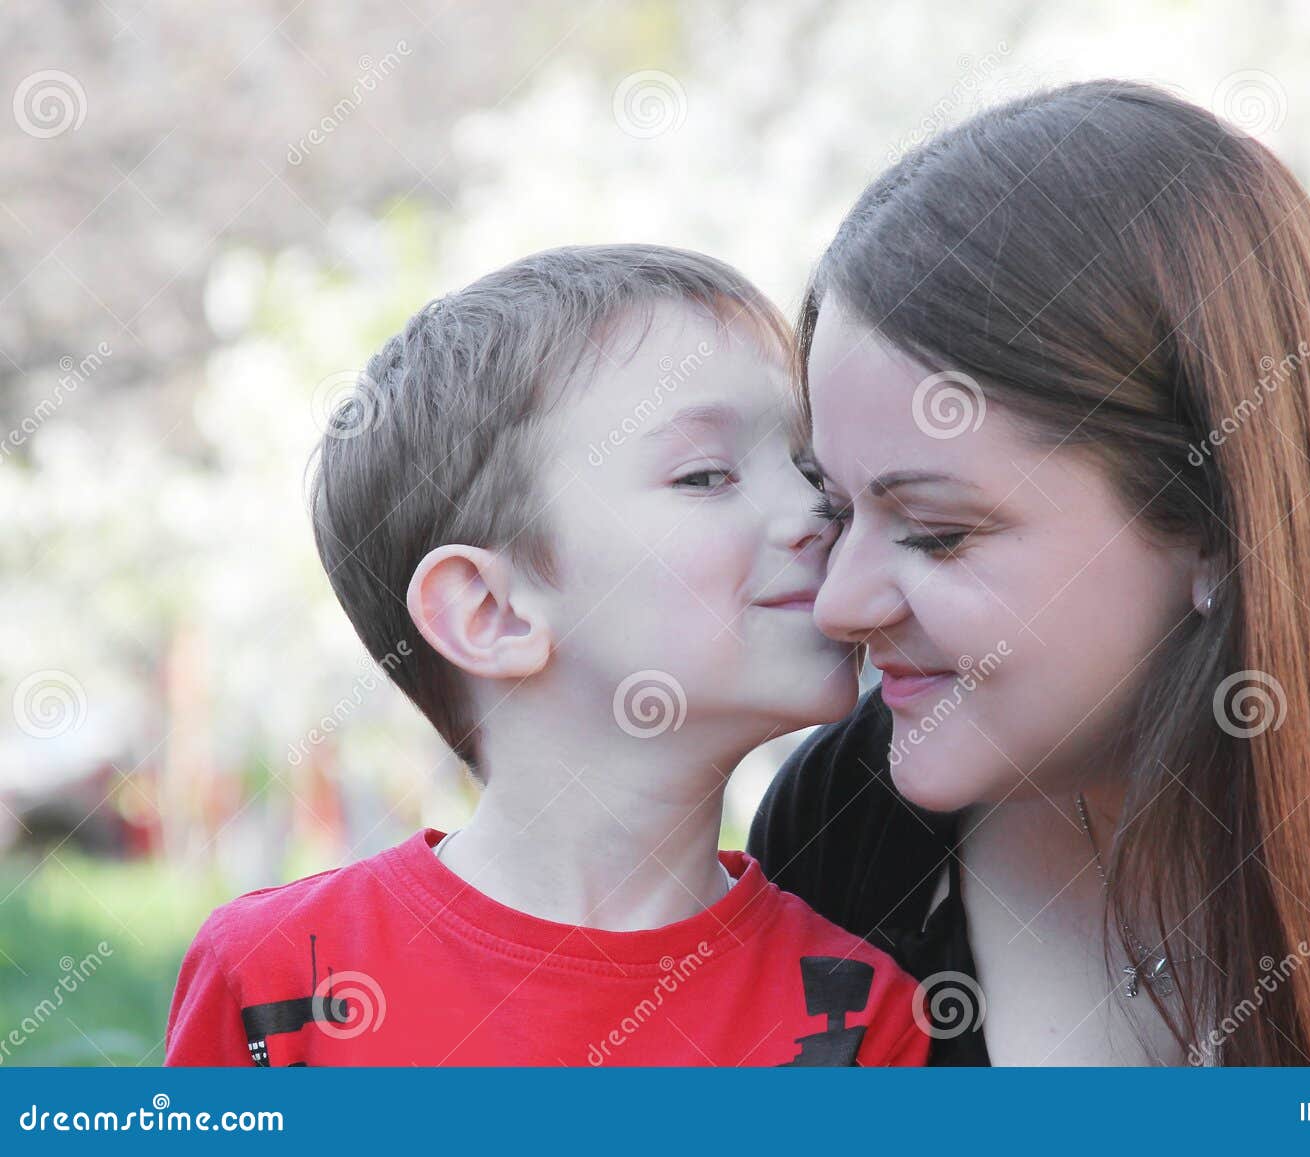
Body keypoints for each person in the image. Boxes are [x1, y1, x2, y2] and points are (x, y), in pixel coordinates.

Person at [750, 81, 1310, 1066]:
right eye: (835, 508)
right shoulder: (844, 827)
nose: (840, 601)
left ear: (1213, 521)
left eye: (937, 532)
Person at [166, 245, 928, 1067]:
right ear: (488, 611)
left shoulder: (859, 1012)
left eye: (809, 466)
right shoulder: (280, 980)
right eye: (707, 475)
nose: (821, 510)